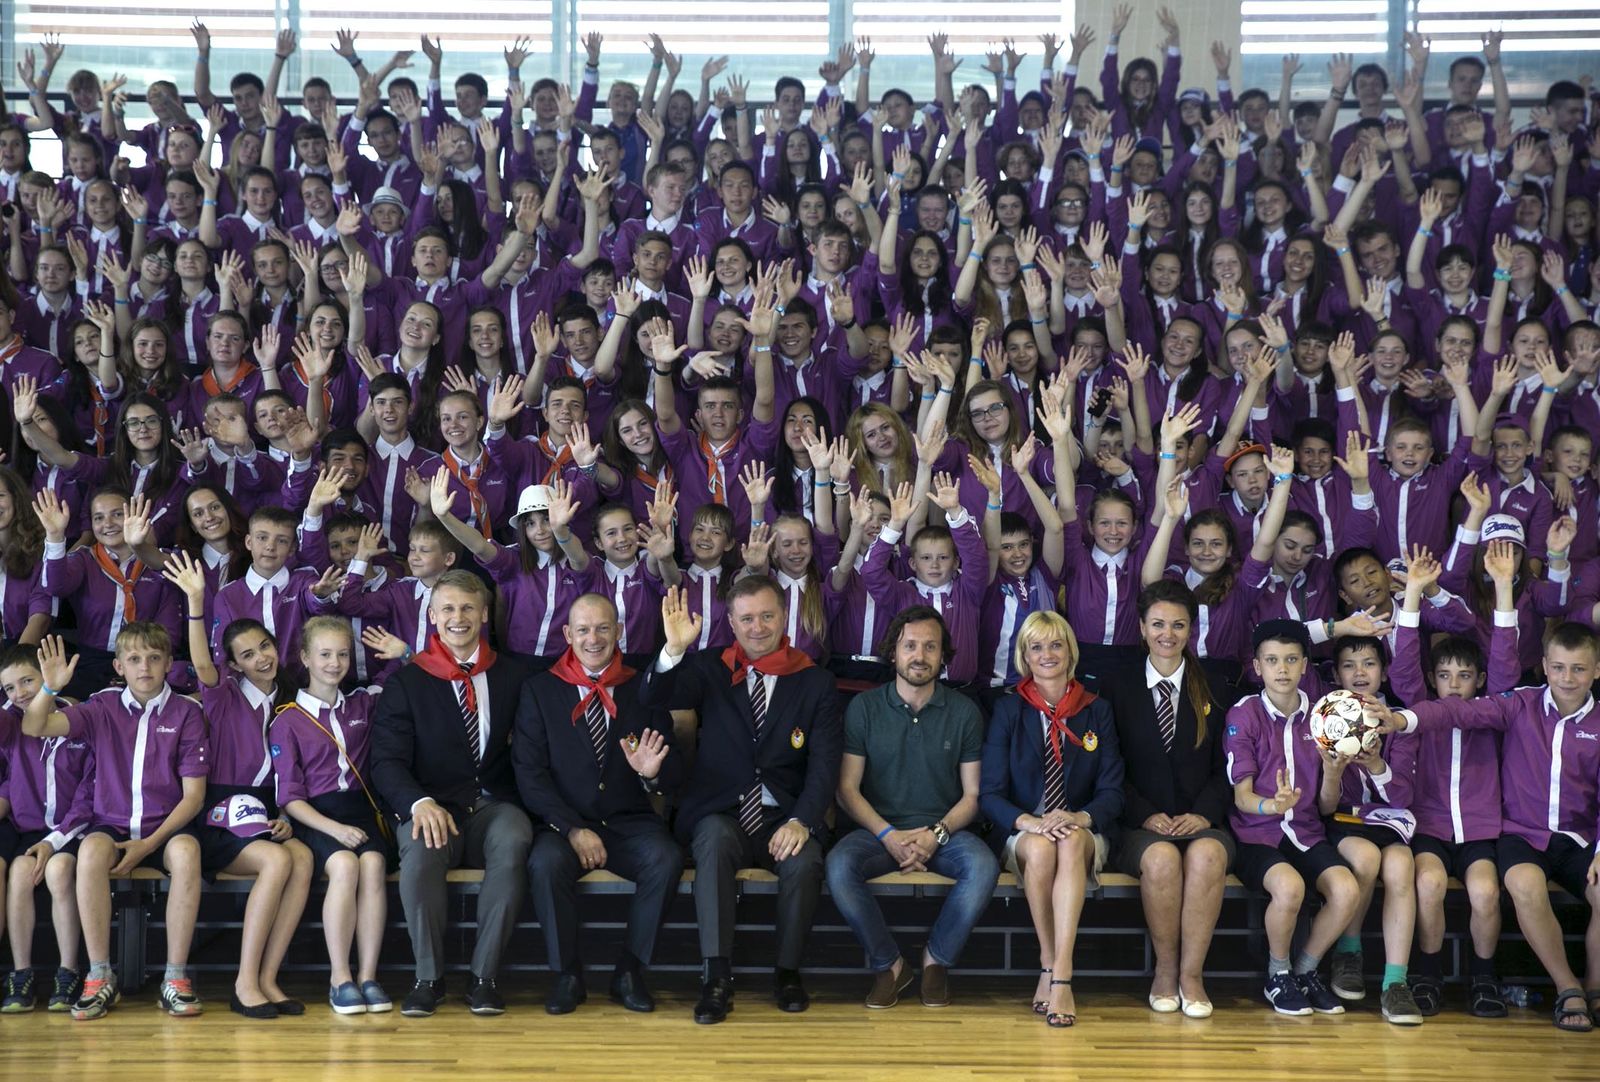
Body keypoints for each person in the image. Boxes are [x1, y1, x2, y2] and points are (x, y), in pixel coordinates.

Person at [1376, 621, 1600, 1034]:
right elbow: (1452, 708)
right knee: (1444, 884)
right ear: (1544, 666)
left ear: (1597, 670)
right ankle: (1436, 975)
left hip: (1562, 838)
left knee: (1489, 891)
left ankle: (1585, 988)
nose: (1567, 677)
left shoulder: (1584, 720)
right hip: (1499, 835)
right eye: (1558, 667)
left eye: (1579, 668)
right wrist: (1403, 718)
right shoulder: (1518, 704)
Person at [641, 578, 842, 1024]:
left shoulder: (815, 680)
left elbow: (825, 764)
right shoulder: (709, 668)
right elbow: (654, 696)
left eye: (767, 616)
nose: (757, 627)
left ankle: (787, 973)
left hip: (783, 815)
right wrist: (674, 651)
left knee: (806, 861)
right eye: (747, 618)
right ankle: (716, 976)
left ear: (784, 616)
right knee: (712, 841)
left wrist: (802, 820)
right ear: (730, 622)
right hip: (722, 811)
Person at [369, 569, 533, 1017]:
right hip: (431, 805)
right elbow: (386, 762)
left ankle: (484, 978)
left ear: (484, 614)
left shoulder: (514, 676)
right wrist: (419, 803)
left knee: (515, 836)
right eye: (447, 609)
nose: (457, 618)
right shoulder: (407, 682)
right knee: (420, 848)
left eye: (466, 608)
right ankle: (429, 978)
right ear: (432, 615)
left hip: (492, 805)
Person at [21, 629, 207, 1021]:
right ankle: (99, 974)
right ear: (119, 666)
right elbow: (34, 727)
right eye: (135, 659)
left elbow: (193, 797)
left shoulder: (187, 712)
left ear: (169, 664)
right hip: (111, 824)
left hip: (165, 827)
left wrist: (149, 844)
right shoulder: (101, 705)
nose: (145, 667)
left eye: (154, 658)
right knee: (90, 851)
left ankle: (175, 977)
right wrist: (50, 689)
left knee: (188, 852)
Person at [513, 593, 684, 1014]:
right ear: (568, 634)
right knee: (545, 864)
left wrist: (652, 774)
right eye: (584, 629)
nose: (594, 638)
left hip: (628, 821)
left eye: (603, 628)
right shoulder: (539, 690)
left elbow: (674, 771)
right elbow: (530, 774)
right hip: (564, 824)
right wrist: (572, 829)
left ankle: (629, 971)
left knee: (665, 858)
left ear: (619, 631)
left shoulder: (642, 688)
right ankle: (567, 974)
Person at [826, 606, 996, 1009]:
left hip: (945, 834)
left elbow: (972, 796)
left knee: (983, 866)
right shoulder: (864, 708)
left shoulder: (964, 712)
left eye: (930, 647)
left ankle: (936, 960)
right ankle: (890, 965)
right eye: (910, 646)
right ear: (893, 652)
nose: (920, 656)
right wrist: (888, 835)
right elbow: (847, 790)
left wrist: (935, 835)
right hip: (877, 832)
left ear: (943, 655)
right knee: (838, 866)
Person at [980, 610, 1124, 1028]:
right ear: (1025, 657)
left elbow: (1113, 792)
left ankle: (1060, 973)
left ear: (1070, 652)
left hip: (1082, 829)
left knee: (1070, 841)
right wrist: (1030, 822)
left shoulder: (1097, 710)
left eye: (1056, 644)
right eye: (1037, 646)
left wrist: (1078, 816)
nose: (1047, 654)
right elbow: (990, 794)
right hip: (1027, 829)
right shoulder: (1009, 710)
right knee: (1044, 848)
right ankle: (1051, 963)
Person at [1100, 580, 1235, 1018]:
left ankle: (1192, 976)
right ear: (1142, 627)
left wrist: (1203, 815)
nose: (1167, 634)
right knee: (1161, 860)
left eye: (1178, 625)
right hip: (1138, 824)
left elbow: (1229, 767)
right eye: (1158, 624)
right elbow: (1109, 766)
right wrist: (1145, 814)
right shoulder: (1116, 686)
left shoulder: (1214, 685)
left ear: (1191, 629)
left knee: (1208, 856)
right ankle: (1165, 970)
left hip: (1201, 820)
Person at [1225, 619, 1361, 1017]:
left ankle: (1305, 970)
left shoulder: (1322, 716)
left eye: (1290, 660)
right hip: (1256, 834)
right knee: (1289, 887)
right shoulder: (1244, 713)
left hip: (1306, 831)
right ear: (1257, 667)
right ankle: (1278, 974)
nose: (1281, 669)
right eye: (1271, 660)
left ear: (1304, 665)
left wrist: (1332, 774)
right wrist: (1273, 805)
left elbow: (1325, 807)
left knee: (1346, 890)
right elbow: (1242, 798)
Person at [268, 615, 397, 1015]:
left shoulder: (363, 703)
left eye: (342, 654)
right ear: (305, 657)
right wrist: (335, 830)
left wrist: (403, 652)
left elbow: (407, 675)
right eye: (324, 654)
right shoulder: (287, 719)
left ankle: (368, 976)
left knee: (373, 864)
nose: (334, 663)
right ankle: (340, 977)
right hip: (316, 816)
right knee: (344, 864)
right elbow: (290, 798)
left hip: (360, 810)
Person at [0, 644, 89, 1013]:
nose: (19, 693)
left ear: (46, 676)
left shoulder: (80, 718)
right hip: (28, 830)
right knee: (20, 872)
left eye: (27, 681)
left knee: (58, 870)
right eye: (9, 687)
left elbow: (90, 792)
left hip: (71, 830)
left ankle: (69, 970)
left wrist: (55, 841)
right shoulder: (10, 722)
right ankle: (21, 974)